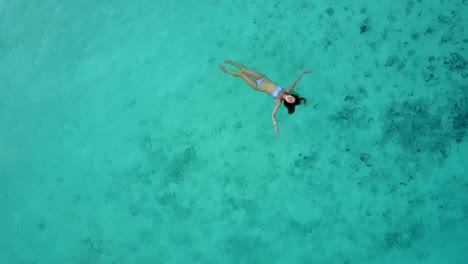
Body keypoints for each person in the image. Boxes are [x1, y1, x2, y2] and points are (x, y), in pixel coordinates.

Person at [219, 60, 310, 135]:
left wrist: (275, 125)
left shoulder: (278, 101)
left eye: (290, 101)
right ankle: (232, 62)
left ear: (288, 103)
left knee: (241, 75)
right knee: (245, 70)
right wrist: (303, 73)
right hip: (262, 78)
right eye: (292, 98)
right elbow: (295, 82)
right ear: (291, 95)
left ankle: (226, 70)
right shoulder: (287, 90)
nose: (290, 99)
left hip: (258, 86)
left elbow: (272, 114)